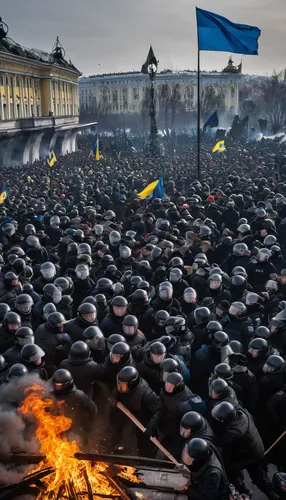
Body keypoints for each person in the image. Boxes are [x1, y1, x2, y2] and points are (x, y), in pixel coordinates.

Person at [212, 402, 277, 499]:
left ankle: (244, 490)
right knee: (260, 477)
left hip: (251, 456)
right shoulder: (242, 412)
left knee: (231, 469)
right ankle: (272, 495)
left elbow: (223, 443)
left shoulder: (235, 431)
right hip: (254, 449)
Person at [111, 366, 162, 457]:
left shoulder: (147, 394)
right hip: (129, 412)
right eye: (120, 384)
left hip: (144, 418)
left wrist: (151, 426)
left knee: (145, 442)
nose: (120, 388)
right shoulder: (122, 384)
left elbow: (158, 411)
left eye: (123, 386)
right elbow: (117, 387)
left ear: (132, 384)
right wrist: (114, 396)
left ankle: (147, 459)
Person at [51, 369, 97, 441]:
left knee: (79, 448)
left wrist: (88, 425)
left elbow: (92, 408)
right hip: (56, 430)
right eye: (55, 384)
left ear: (66, 385)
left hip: (76, 429)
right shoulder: (51, 396)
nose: (56, 387)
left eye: (59, 385)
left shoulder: (78, 395)